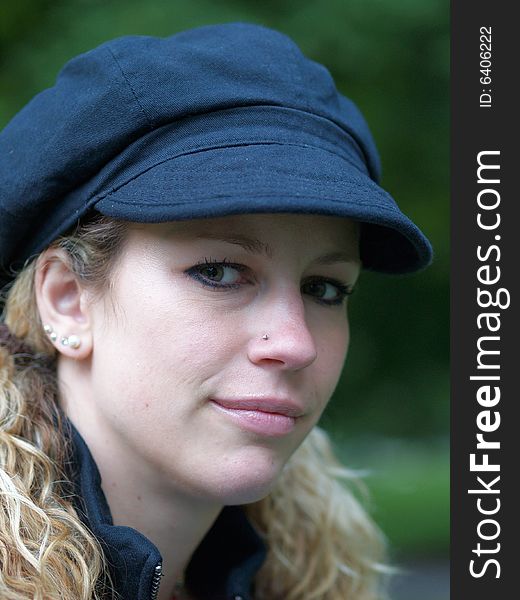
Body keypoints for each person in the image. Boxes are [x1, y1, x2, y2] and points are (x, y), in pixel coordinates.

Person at [0, 23, 432, 600]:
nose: (296, 342)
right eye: (219, 271)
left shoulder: (312, 580)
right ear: (69, 301)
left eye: (325, 288)